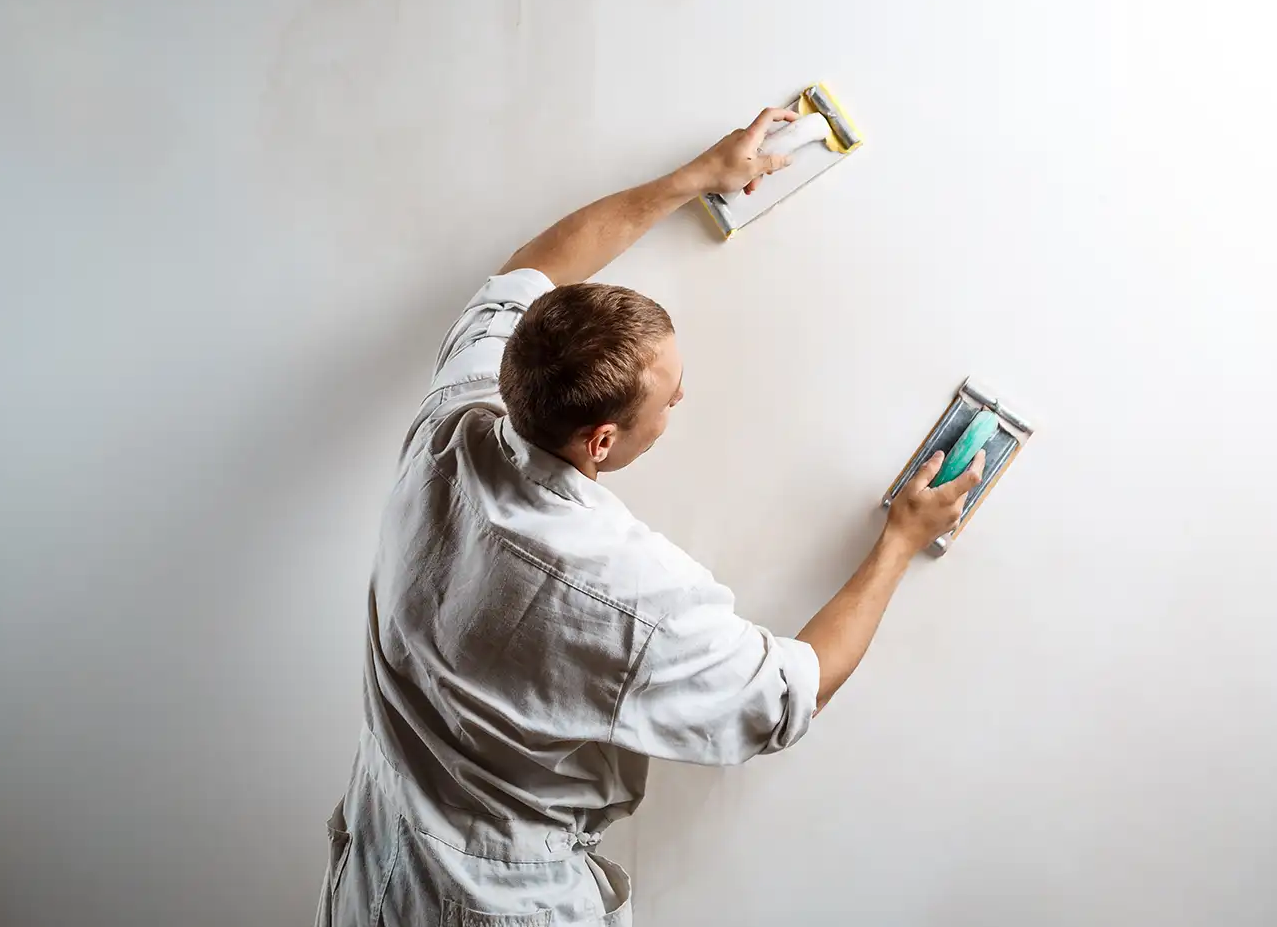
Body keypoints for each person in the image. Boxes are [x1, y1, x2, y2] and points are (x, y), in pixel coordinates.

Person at [316, 108, 987, 927]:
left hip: (381, 863)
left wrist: (693, 179)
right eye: (670, 398)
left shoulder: (453, 422)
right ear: (601, 441)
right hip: (494, 904)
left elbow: (530, 270)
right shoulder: (620, 589)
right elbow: (783, 698)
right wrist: (899, 541)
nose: (681, 401)